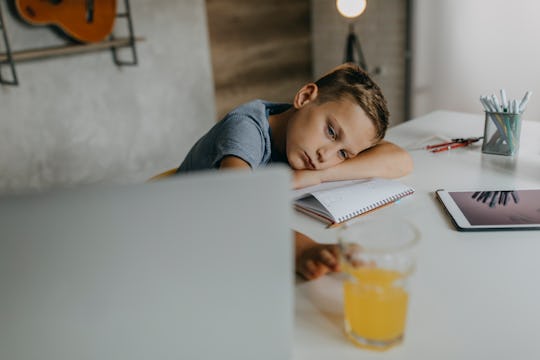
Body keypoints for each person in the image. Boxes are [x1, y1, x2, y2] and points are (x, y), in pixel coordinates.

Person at [175, 63, 413, 280]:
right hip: (181, 240)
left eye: (342, 154)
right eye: (331, 132)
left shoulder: (304, 143)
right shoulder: (246, 128)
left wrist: (318, 175)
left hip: (225, 244)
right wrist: (302, 248)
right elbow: (238, 203)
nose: (325, 156)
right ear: (305, 97)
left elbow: (400, 160)